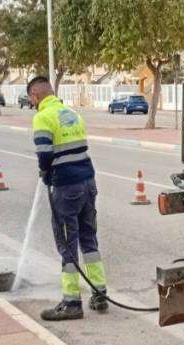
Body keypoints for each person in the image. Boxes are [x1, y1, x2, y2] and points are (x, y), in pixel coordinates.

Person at [27, 76, 109, 321]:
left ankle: (72, 302)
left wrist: (45, 171)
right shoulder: (72, 113)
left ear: (35, 96)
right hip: (88, 182)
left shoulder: (43, 117)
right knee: (88, 238)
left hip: (67, 187)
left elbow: (44, 153)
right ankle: (100, 293)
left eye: (31, 99)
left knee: (67, 245)